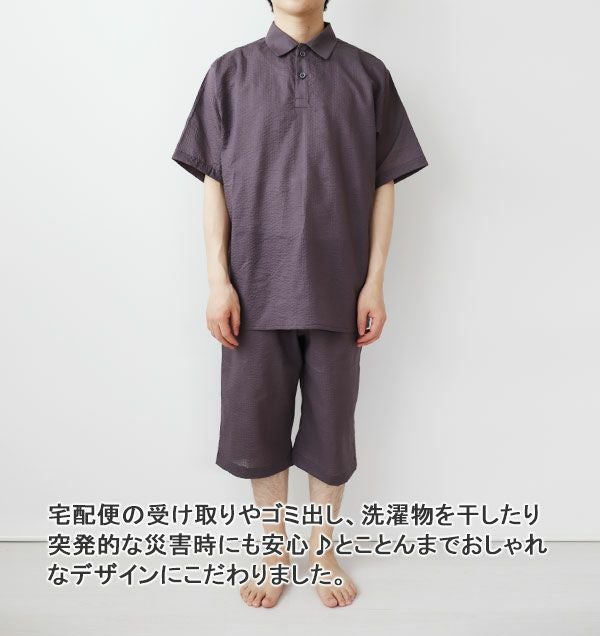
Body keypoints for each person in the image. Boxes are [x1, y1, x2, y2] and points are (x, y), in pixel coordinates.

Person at [171, 0, 427, 609]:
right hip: (253, 288)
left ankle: (322, 550)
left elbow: (384, 184)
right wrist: (218, 281)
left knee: (332, 432)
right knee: (256, 426)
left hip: (340, 288)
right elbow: (214, 185)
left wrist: (375, 281)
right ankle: (273, 550)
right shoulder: (229, 73)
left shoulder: (368, 73)